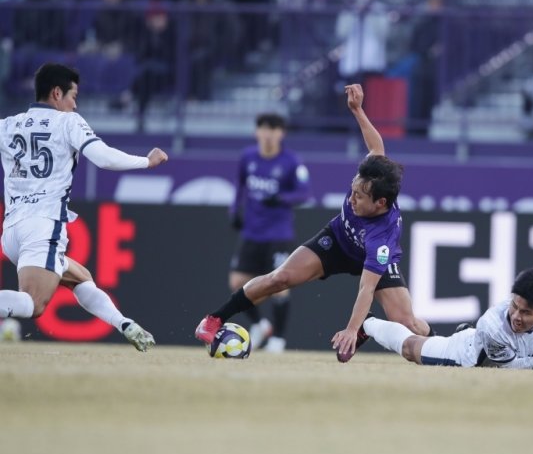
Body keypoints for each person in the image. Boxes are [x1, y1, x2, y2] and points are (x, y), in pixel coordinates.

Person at [195, 84, 432, 360]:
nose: (352, 199)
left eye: (359, 197)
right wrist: (357, 109)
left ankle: (441, 346)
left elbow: (366, 288)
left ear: (380, 203)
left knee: (409, 324)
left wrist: (351, 330)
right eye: (352, 190)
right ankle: (213, 319)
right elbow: (376, 145)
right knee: (279, 277)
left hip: (369, 257)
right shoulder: (373, 173)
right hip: (337, 241)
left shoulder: (382, 239)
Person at [0, 63, 169, 351]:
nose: (75, 105)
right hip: (43, 225)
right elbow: (103, 158)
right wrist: (146, 161)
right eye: (73, 96)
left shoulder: (7, 124)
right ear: (57, 93)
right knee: (34, 304)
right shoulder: (68, 122)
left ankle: (124, 323)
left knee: (80, 277)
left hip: (12, 230)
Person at [358, 268, 533, 372]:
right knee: (410, 348)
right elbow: (506, 367)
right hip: (467, 355)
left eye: (526, 312)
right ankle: (367, 324)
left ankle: (457, 332)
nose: (516, 316)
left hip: (487, 346)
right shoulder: (493, 325)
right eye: (515, 306)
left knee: (420, 333)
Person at [229, 113, 311, 353]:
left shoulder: (292, 162)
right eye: (264, 129)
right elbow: (239, 186)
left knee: (280, 285)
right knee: (237, 282)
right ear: (257, 132)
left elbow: (304, 193)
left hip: (279, 233)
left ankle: (279, 339)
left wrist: (281, 198)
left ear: (281, 133)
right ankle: (260, 324)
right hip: (252, 232)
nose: (268, 134)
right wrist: (234, 210)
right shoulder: (247, 157)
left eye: (273, 129)